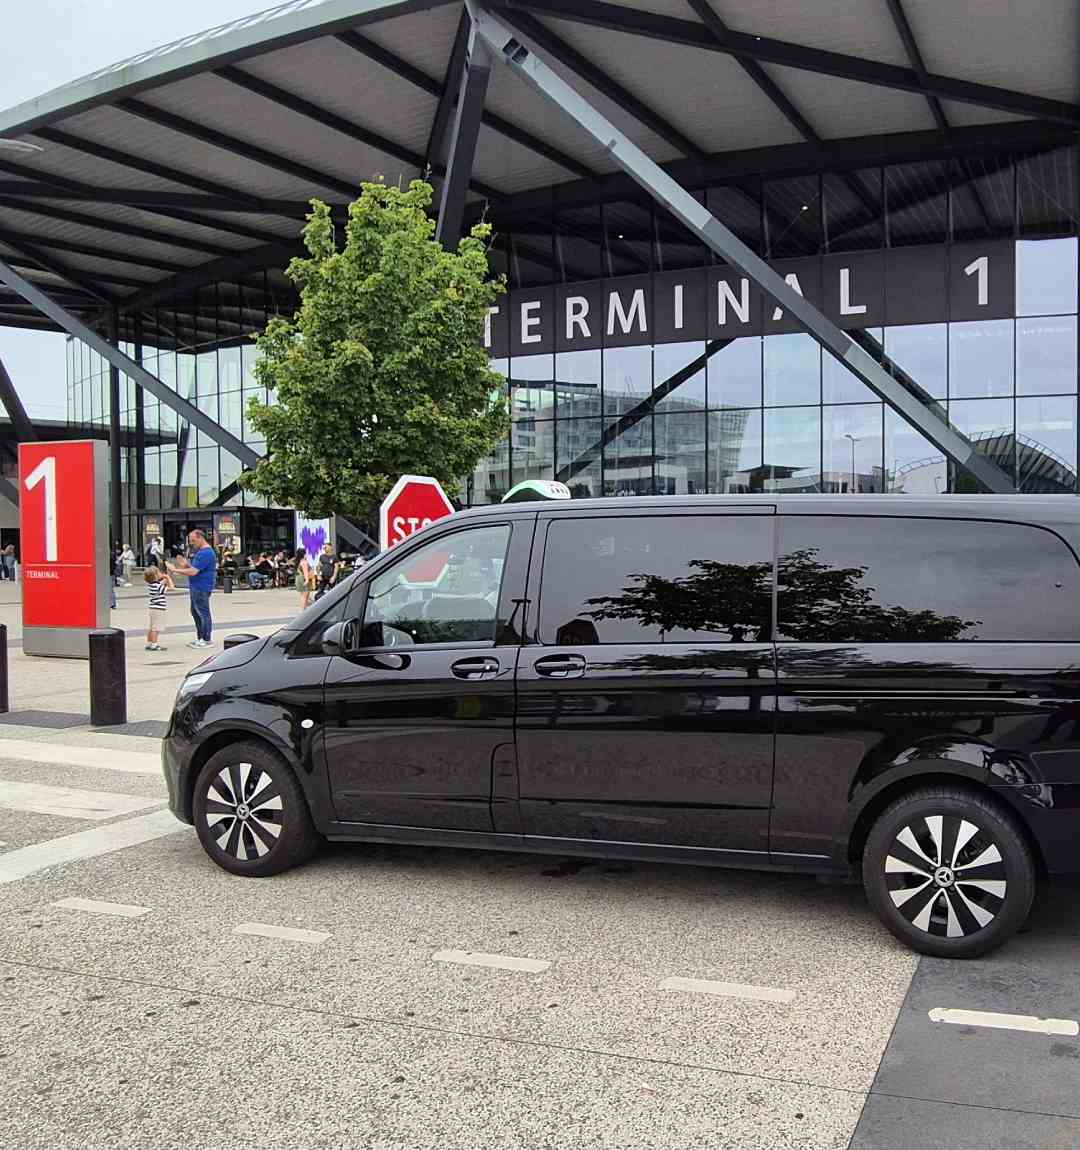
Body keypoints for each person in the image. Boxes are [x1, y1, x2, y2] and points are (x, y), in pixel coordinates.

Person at [168, 529, 217, 648]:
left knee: (202, 612)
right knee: (195, 612)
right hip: (197, 586)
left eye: (193, 540)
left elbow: (193, 572)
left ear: (200, 537)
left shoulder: (205, 553)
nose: (191, 543)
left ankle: (206, 639)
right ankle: (201, 638)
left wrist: (175, 570)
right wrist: (186, 565)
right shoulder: (202, 552)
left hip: (201, 587)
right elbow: (196, 569)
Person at [144, 564, 175, 652]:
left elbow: (163, 582)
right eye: (159, 573)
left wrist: (168, 576)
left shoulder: (152, 585)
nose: (161, 573)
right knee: (156, 628)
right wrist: (168, 578)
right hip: (159, 609)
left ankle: (149, 643)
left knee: (152, 627)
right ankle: (154, 644)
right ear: (155, 576)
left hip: (153, 609)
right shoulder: (157, 586)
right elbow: (172, 588)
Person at [294, 546, 314, 611]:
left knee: (304, 595)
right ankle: (303, 609)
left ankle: (303, 608)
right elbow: (305, 572)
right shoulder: (304, 562)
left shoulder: (300, 562)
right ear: (304, 554)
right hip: (303, 579)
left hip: (299, 578)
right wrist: (307, 580)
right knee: (304, 595)